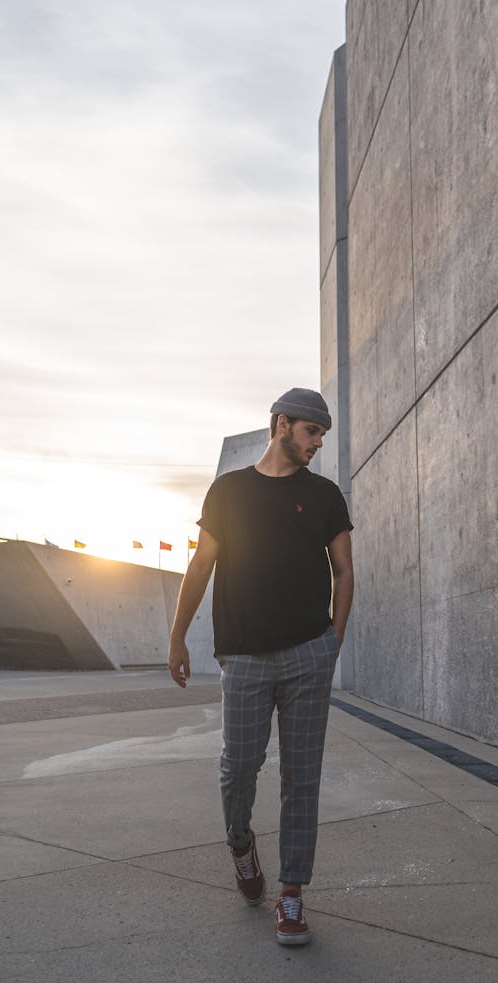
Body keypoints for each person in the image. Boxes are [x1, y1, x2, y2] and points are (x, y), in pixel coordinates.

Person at [168, 387, 354, 946]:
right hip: (244, 654)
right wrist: (177, 636)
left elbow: (344, 572)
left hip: (308, 655)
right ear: (281, 424)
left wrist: (332, 644)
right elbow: (201, 566)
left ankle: (292, 895)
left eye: (321, 433)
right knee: (238, 767)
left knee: (303, 779)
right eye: (310, 431)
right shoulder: (229, 491)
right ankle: (240, 843)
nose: (318, 441)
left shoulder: (324, 496)